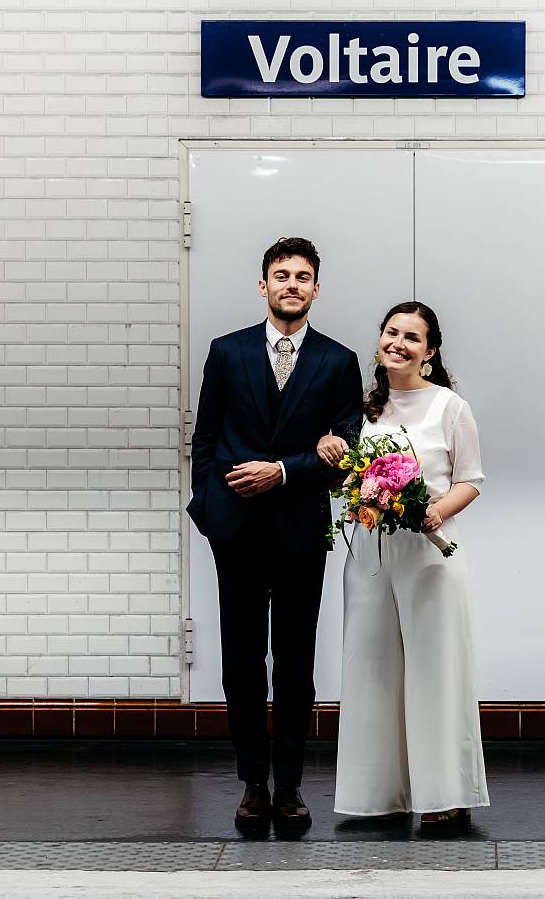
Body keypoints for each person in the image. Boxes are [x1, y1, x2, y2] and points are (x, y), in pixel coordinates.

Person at [187, 236, 363, 834]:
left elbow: (347, 453)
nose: (291, 284)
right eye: (281, 274)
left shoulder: (337, 362)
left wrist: (284, 470)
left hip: (298, 532)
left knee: (294, 663)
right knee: (240, 662)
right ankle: (251, 785)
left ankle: (289, 787)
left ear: (317, 288)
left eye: (303, 276)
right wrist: (207, 510)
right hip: (234, 530)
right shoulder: (228, 351)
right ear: (262, 285)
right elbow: (205, 437)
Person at [318, 301, 489, 827]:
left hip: (429, 555)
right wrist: (330, 450)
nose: (399, 343)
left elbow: (471, 480)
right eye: (391, 332)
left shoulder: (449, 407)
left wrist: (434, 511)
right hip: (369, 554)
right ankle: (376, 794)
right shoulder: (362, 410)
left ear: (430, 352)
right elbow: (344, 475)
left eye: (412, 337)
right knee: (371, 669)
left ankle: (444, 794)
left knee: (435, 671)